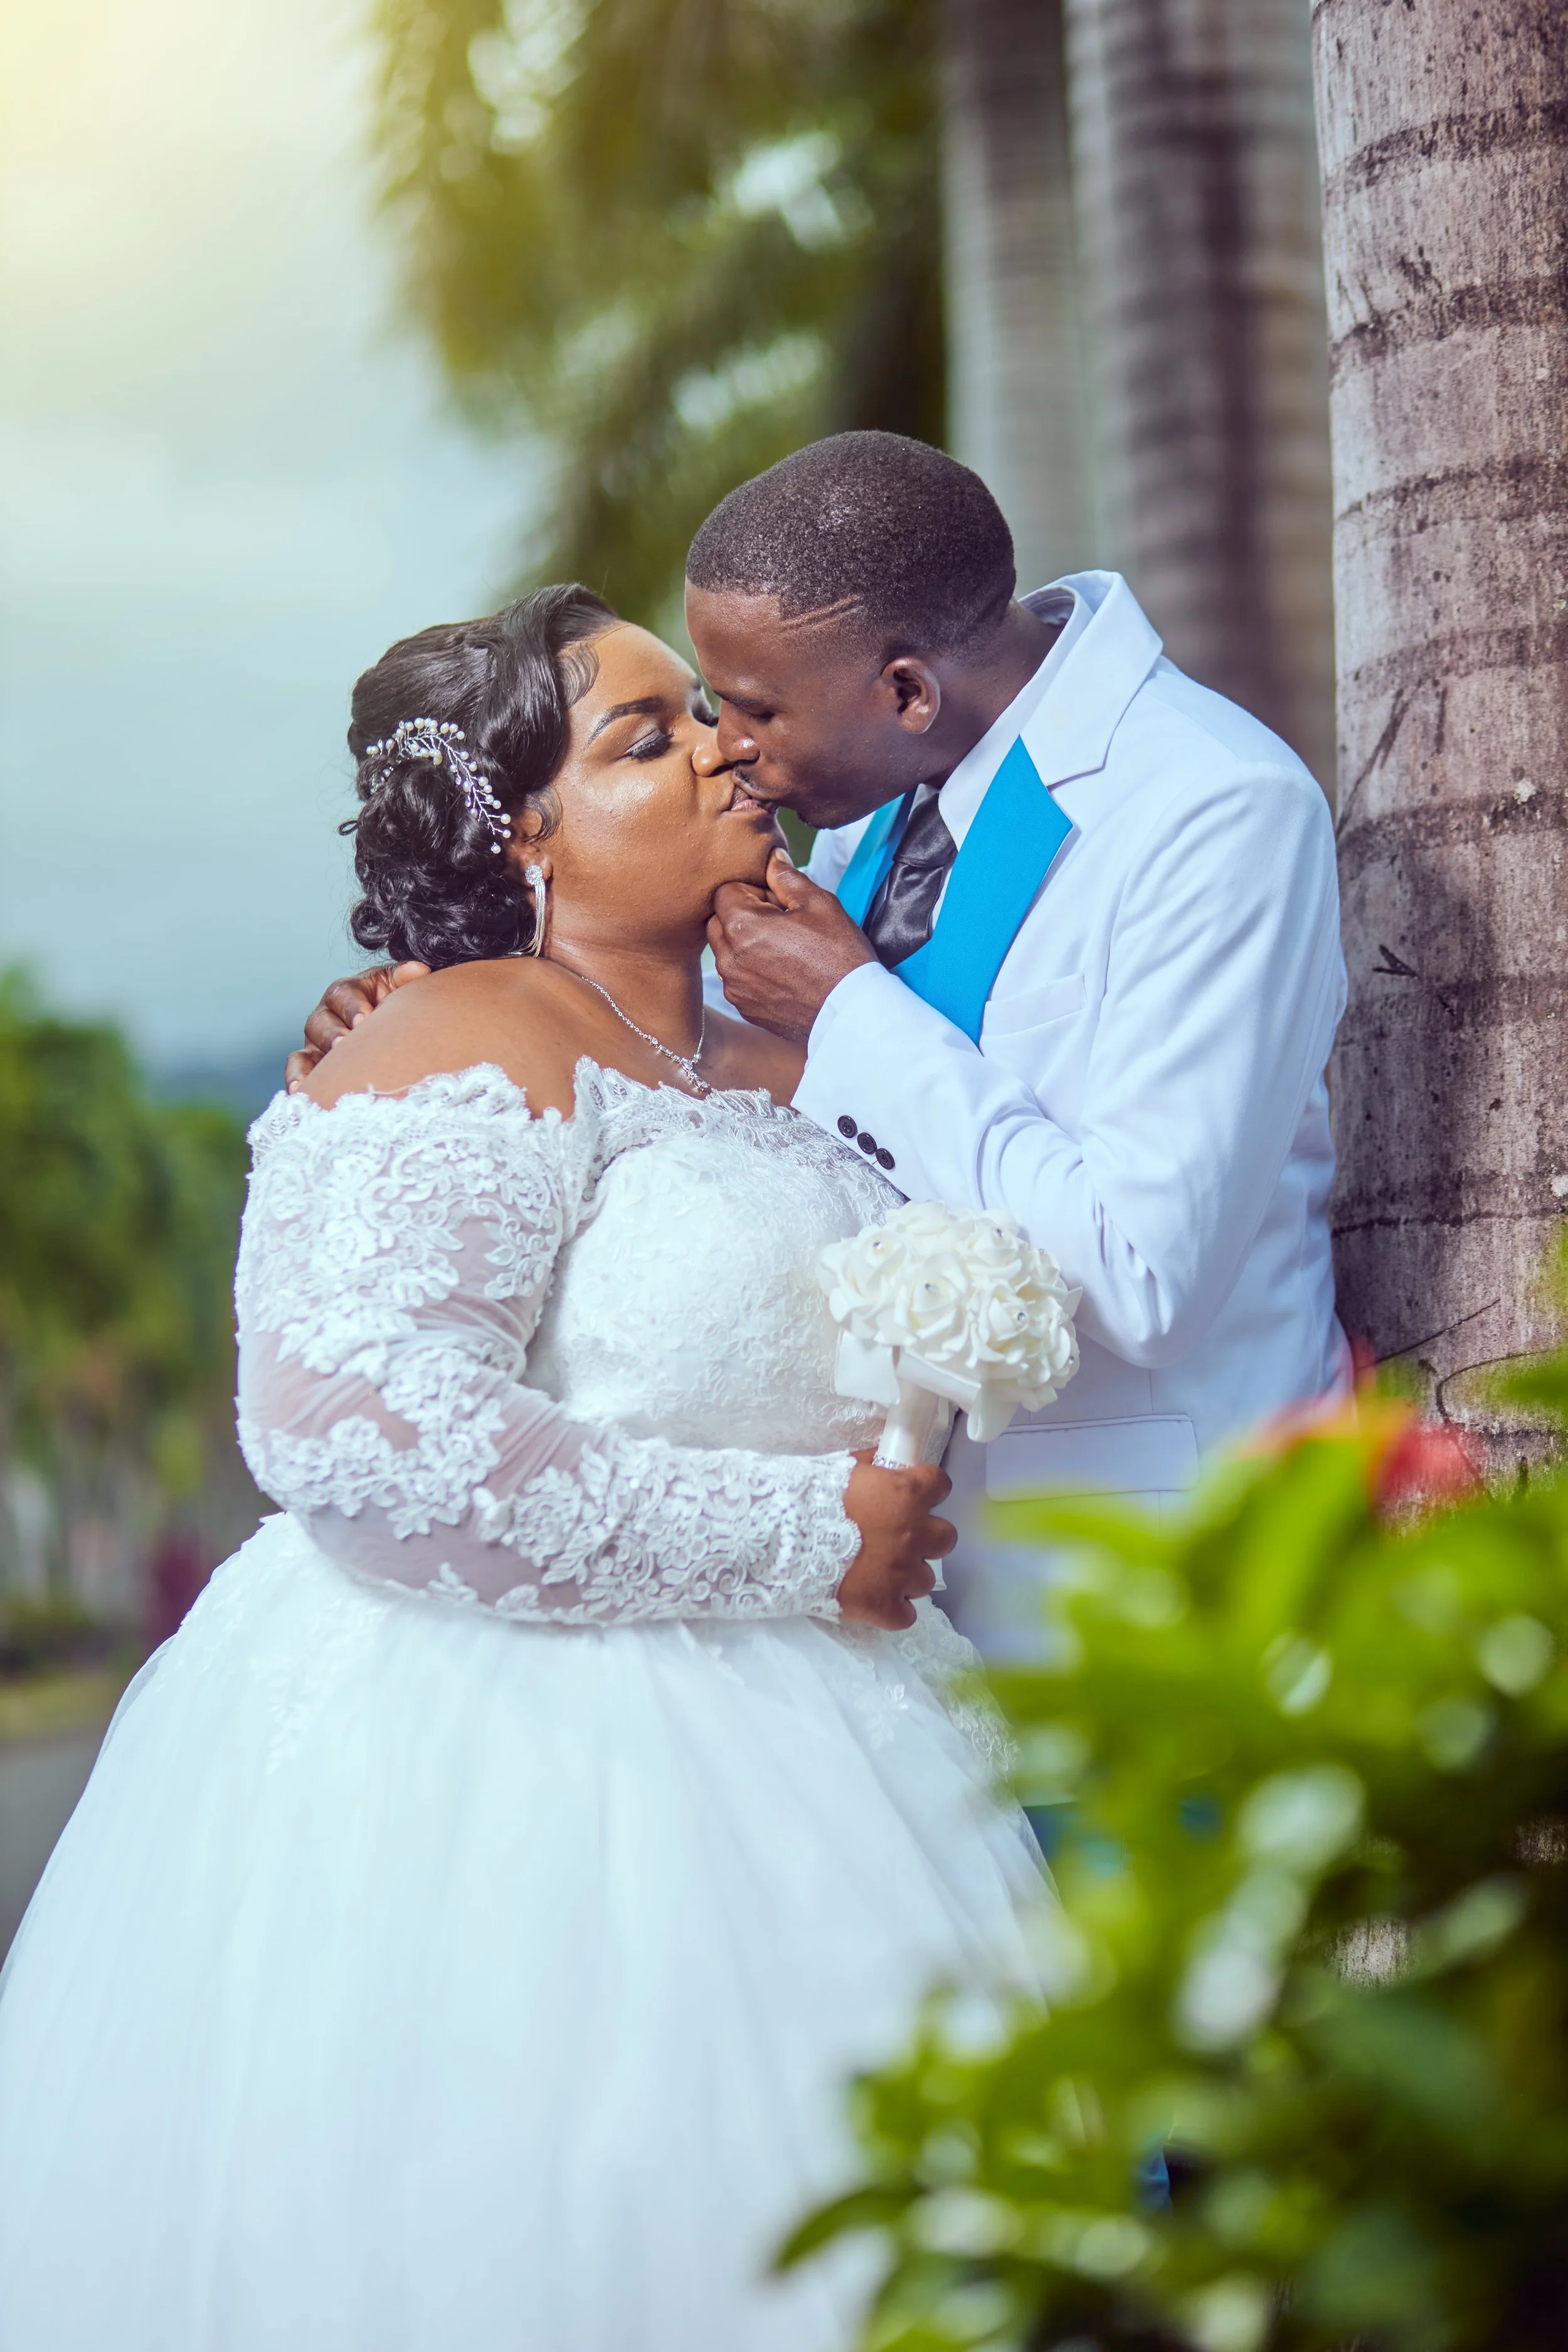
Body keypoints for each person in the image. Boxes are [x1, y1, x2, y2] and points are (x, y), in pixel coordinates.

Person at [0, 588, 1042, 2352]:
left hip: (841, 1755)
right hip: (509, 1784)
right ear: (522, 833)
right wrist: (810, 1535)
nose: (720, 741)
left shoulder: (795, 1054)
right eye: (647, 733)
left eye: (700, 712)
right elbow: (358, 1434)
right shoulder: (446, 1038)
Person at [299, 435, 1347, 1654]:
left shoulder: (1207, 810)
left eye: (748, 710)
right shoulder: (877, 792)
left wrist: (849, 1008)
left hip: (1156, 1590)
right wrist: (434, 1026)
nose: (728, 748)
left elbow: (1143, 1275)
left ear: (904, 689)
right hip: (895, 1610)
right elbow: (713, 1081)